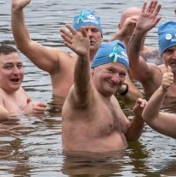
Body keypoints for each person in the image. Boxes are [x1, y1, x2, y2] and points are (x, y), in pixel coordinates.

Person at [10, 0, 138, 101]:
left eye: (94, 30)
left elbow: (138, 98)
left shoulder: (112, 65)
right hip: (63, 117)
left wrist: (120, 87)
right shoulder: (61, 61)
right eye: (83, 31)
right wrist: (17, 11)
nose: (89, 35)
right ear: (73, 36)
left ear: (101, 36)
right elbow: (24, 44)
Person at [60, 25, 146, 155]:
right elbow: (81, 85)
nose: (116, 79)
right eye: (110, 70)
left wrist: (139, 117)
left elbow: (130, 137)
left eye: (122, 74)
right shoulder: (84, 97)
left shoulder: (111, 98)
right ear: (93, 70)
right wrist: (83, 57)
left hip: (112, 170)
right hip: (87, 169)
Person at [127, 0, 176, 103]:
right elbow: (132, 61)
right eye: (169, 51)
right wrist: (139, 31)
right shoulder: (153, 76)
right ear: (161, 54)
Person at [112, 5, 176, 67]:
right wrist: (121, 34)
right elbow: (101, 60)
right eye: (130, 23)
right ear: (120, 27)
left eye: (139, 23)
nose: (135, 27)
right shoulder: (113, 51)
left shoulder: (157, 54)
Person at [0, 44, 47, 115]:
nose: (16, 72)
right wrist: (25, 113)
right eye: (8, 67)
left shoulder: (19, 90)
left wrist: (37, 108)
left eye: (19, 66)